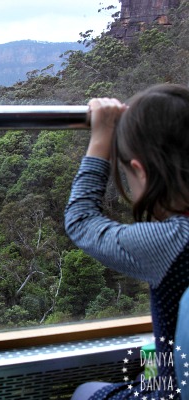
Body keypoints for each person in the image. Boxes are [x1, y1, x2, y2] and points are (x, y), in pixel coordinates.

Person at [65, 83, 189, 399]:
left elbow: (80, 221)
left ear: (141, 172)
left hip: (172, 391)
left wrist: (100, 140)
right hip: (172, 374)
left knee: (84, 391)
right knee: (150, 368)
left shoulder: (173, 240)